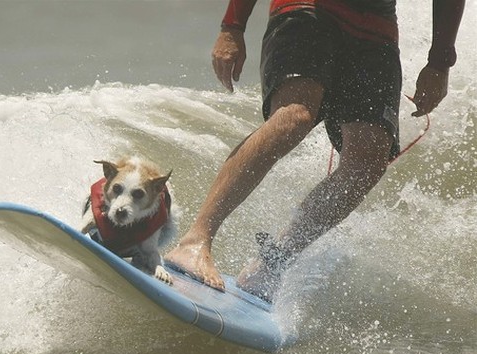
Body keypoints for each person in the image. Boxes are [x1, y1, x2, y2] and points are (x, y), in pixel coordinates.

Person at [165, 0, 465, 302]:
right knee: (294, 117)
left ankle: (271, 262)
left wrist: (439, 63)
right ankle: (195, 241)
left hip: (377, 34)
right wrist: (232, 26)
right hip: (305, 11)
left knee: (368, 163)